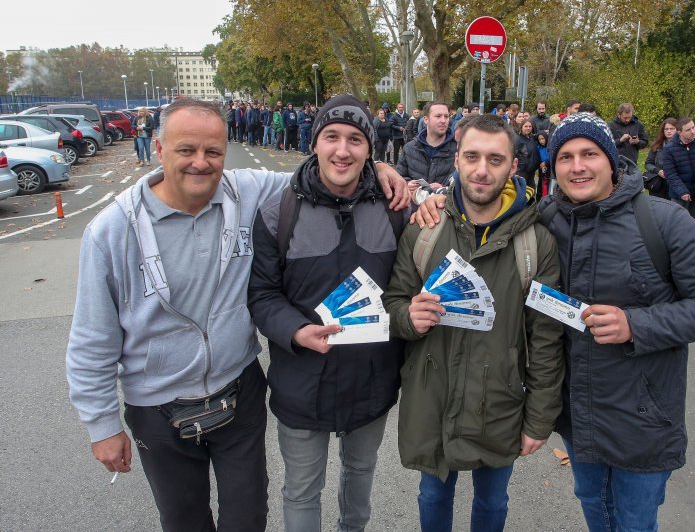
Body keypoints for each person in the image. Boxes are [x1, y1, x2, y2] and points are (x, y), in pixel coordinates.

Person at [65, 99, 409, 532]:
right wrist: (101, 424)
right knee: (185, 519)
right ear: (157, 147)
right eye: (186, 149)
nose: (200, 163)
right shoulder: (111, 232)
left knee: (248, 518)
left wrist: (380, 169)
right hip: (159, 404)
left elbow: (332, 172)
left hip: (238, 391)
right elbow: (92, 339)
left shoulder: (243, 192)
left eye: (212, 152)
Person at [538, 113, 695, 531]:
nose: (577, 166)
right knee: (595, 509)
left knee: (633, 521)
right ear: (554, 167)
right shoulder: (547, 219)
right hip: (578, 414)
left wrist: (636, 324)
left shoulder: (663, 220)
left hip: (643, 417)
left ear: (611, 160)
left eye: (589, 154)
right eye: (566, 156)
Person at [384, 113, 565, 532]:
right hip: (433, 395)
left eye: (494, 159)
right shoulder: (424, 228)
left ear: (512, 166)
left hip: (500, 399)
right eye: (472, 157)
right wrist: (409, 317)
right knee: (432, 496)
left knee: (491, 501)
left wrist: (539, 417)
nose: (482, 170)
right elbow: (393, 303)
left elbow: (546, 338)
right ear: (457, 160)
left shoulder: (535, 242)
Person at [247, 94, 404, 532]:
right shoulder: (279, 212)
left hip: (371, 381)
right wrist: (296, 332)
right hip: (302, 383)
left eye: (356, 139)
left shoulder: (396, 211)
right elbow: (261, 295)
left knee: (360, 476)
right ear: (314, 142)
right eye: (331, 136)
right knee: (301, 490)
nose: (343, 150)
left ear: (370, 149)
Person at [395, 101, 457, 194]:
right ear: (426, 119)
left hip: (444, 206)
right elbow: (399, 178)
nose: (443, 120)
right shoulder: (409, 148)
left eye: (446, 116)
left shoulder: (459, 149)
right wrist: (407, 184)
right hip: (415, 206)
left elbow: (466, 185)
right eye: (438, 116)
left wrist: (444, 189)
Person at [661, 117, 695, 222]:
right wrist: (682, 191)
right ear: (679, 132)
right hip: (679, 193)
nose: (693, 132)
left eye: (693, 127)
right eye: (688, 130)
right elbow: (670, 173)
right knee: (678, 223)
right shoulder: (669, 149)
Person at [644, 118, 677, 200]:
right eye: (666, 129)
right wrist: (658, 171)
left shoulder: (682, 145)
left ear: (677, 130)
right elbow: (648, 163)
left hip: (675, 183)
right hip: (659, 184)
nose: (669, 131)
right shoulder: (657, 145)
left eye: (672, 129)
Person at [515, 118, 537, 188]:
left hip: (531, 172)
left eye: (530, 126)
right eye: (526, 126)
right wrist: (523, 166)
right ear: (521, 127)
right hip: (522, 172)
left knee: (531, 192)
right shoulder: (518, 139)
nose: (528, 128)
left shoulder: (531, 138)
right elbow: (516, 154)